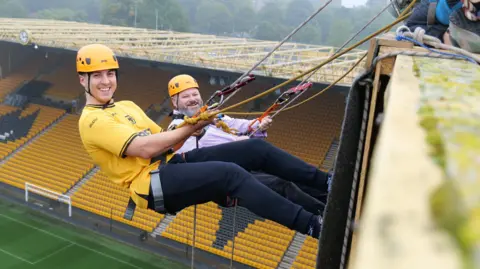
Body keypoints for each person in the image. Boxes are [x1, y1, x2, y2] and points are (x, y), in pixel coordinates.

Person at [76, 44, 329, 239]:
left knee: (254, 148)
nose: (106, 81)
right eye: (96, 76)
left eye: (110, 73)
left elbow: (167, 143)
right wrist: (192, 126)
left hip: (169, 163)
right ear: (82, 80)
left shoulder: (127, 106)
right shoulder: (91, 121)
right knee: (229, 173)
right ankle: (313, 225)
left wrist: (193, 127)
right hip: (149, 184)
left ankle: (326, 183)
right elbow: (145, 147)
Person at [166, 74, 328, 215]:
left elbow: (237, 124)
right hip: (223, 179)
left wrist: (257, 125)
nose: (193, 99)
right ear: (175, 102)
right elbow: (203, 152)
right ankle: (325, 214)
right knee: (281, 186)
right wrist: (238, 142)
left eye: (195, 94)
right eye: (186, 96)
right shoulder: (177, 130)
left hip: (239, 166)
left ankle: (331, 197)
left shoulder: (211, 117)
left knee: (287, 174)